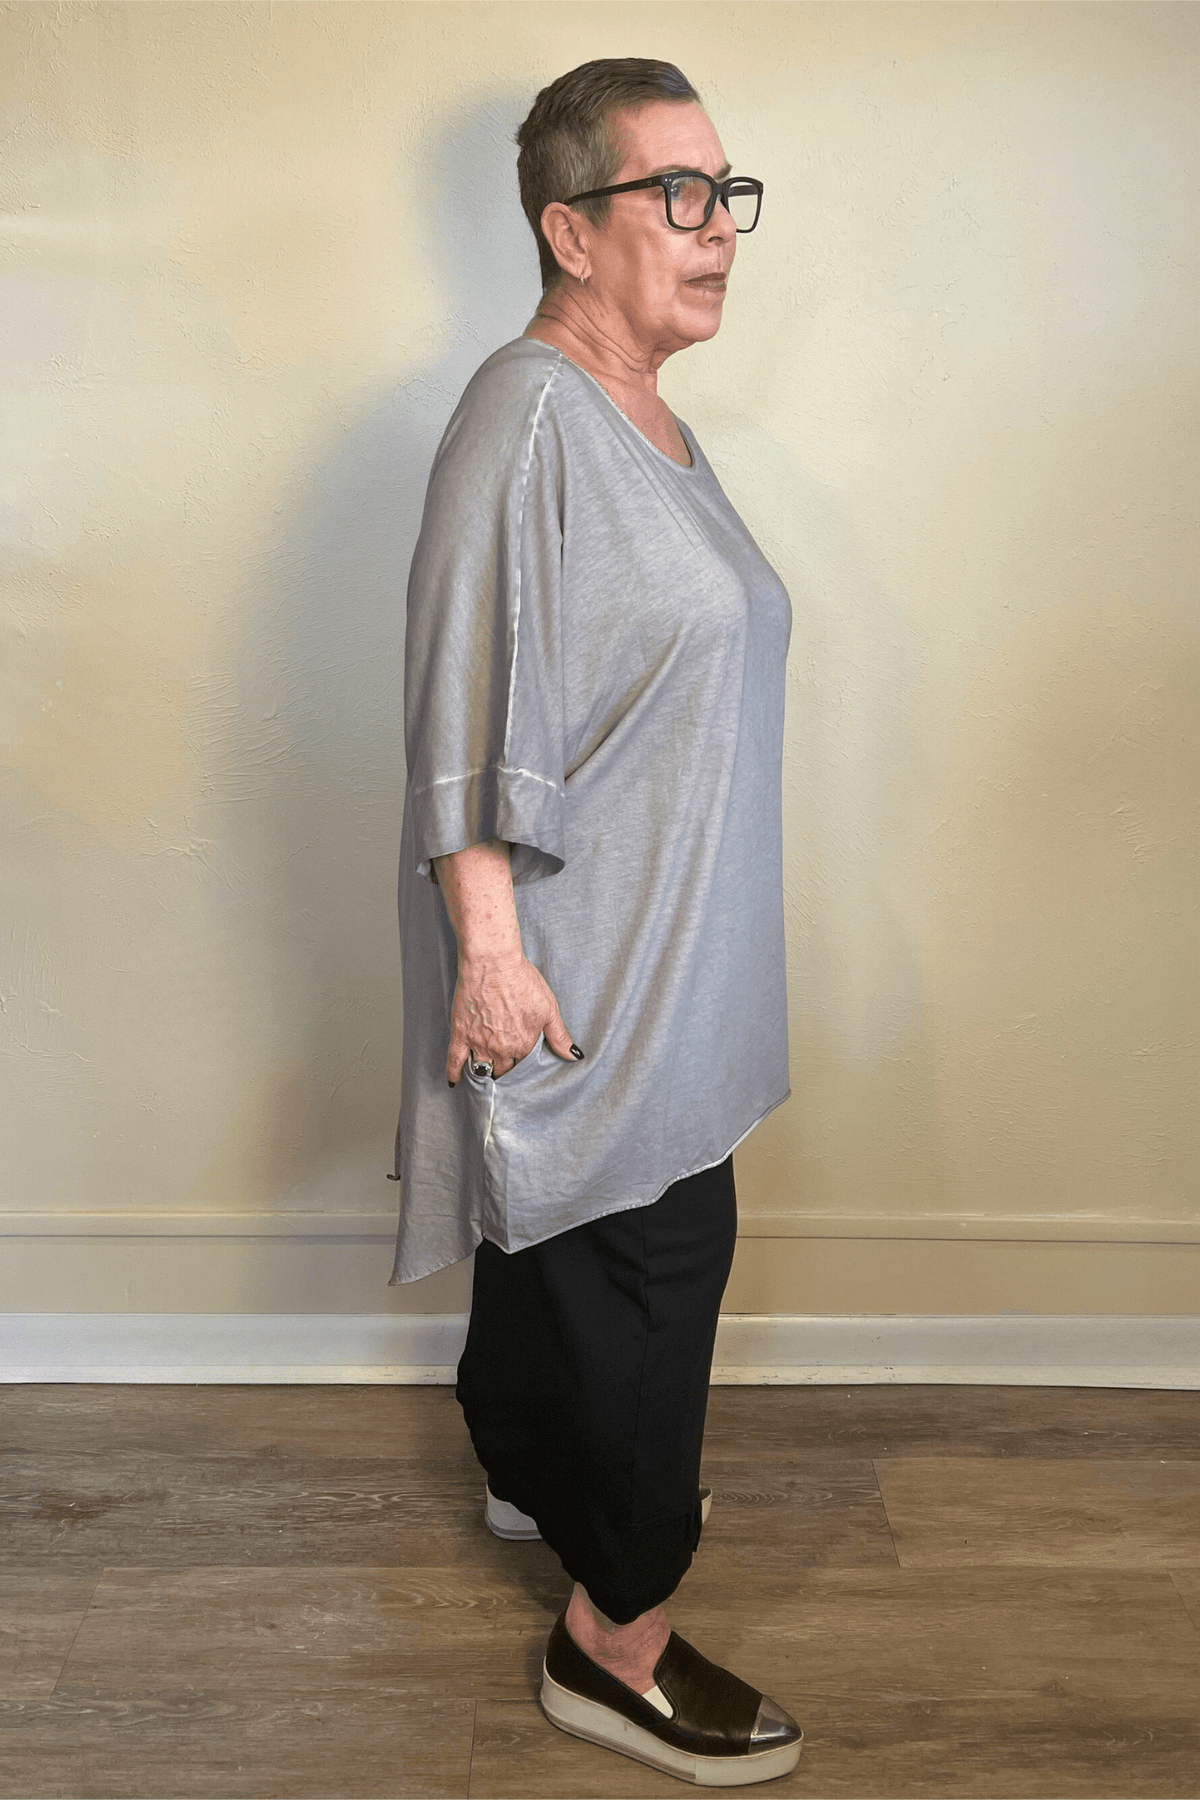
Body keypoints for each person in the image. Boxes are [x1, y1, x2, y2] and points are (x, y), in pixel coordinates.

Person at [387, 56, 802, 1786]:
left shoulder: (646, 419)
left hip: (674, 951)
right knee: (650, 1268)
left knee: (575, 1261)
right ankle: (610, 1644)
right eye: (677, 195)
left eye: (728, 194)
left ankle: (531, 1469)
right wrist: (490, 955)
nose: (719, 228)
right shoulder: (529, 415)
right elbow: (458, 698)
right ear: (570, 230)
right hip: (591, 972)